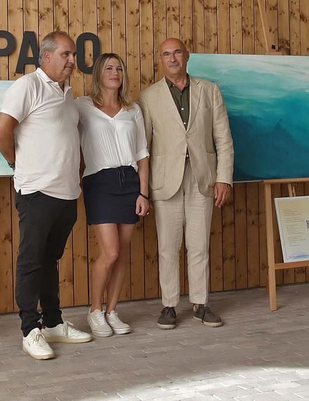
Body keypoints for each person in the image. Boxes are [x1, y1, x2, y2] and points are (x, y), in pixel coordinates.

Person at [0, 31, 95, 360]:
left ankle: (53, 322)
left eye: (73, 54)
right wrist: (14, 163)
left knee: (50, 261)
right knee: (31, 262)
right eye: (65, 54)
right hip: (36, 191)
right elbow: (1, 129)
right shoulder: (27, 86)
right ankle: (29, 329)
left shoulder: (67, 93)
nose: (72, 60)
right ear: (46, 56)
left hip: (66, 194)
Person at [140, 37, 234, 329]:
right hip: (165, 179)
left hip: (202, 177)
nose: (172, 58)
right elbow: (144, 146)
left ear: (187, 55)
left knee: (199, 244)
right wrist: (142, 189)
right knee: (168, 246)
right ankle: (169, 305)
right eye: (166, 54)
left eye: (177, 52)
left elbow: (223, 139)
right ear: (160, 60)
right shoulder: (149, 96)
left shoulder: (209, 90)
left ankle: (201, 303)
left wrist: (224, 179)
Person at [76, 53, 150, 337]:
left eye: (119, 68)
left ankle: (112, 311)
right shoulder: (83, 105)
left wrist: (143, 193)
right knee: (111, 251)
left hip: (130, 182)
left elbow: (142, 154)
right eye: (109, 68)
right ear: (99, 73)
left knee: (122, 255)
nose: (115, 72)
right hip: (99, 181)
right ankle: (95, 311)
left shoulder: (133, 110)